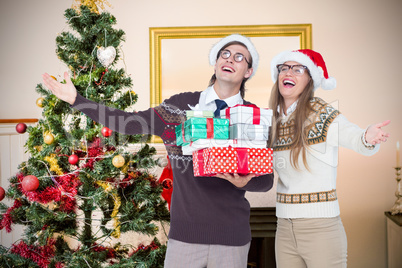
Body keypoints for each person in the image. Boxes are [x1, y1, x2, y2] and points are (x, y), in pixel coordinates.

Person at [42, 34, 274, 268]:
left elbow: (266, 180)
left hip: (232, 238)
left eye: (239, 57)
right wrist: (77, 101)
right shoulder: (179, 107)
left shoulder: (254, 117)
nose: (230, 60)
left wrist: (244, 183)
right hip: (185, 237)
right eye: (225, 54)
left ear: (248, 72)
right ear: (215, 62)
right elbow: (128, 122)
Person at [268, 49, 390, 268]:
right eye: (284, 68)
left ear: (310, 79)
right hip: (284, 228)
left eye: (298, 69)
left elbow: (351, 134)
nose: (289, 73)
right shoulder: (274, 120)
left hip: (320, 228)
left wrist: (367, 137)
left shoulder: (321, 113)